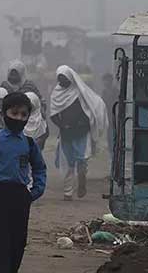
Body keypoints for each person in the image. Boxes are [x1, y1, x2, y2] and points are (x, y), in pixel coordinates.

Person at [0, 92, 47, 273]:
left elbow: (39, 168)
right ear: (4, 113)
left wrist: (35, 191)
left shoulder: (29, 143)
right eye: (14, 113)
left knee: (18, 242)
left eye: (23, 114)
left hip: (20, 197)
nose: (19, 118)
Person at [50, 65, 108, 201]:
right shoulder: (56, 93)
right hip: (66, 133)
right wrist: (62, 125)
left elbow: (93, 104)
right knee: (68, 164)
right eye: (60, 78)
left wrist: (84, 122)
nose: (62, 81)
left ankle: (81, 181)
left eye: (64, 78)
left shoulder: (80, 92)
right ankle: (67, 193)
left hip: (81, 131)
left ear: (70, 78)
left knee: (82, 160)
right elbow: (53, 114)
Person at [101, 73, 119, 159]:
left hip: (115, 116)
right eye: (104, 81)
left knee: (114, 134)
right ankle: (111, 152)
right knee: (109, 135)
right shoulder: (104, 92)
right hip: (108, 117)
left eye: (106, 80)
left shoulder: (116, 91)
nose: (105, 82)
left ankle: (114, 151)